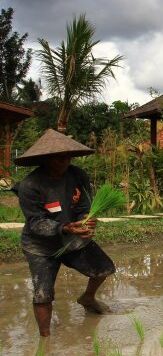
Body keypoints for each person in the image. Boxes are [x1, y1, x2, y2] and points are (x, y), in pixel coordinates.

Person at [13, 129, 116, 337]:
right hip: (40, 246)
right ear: (46, 159)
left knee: (104, 269)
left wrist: (86, 220)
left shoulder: (78, 175)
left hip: (72, 239)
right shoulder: (30, 185)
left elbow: (83, 205)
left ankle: (87, 298)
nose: (65, 161)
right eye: (60, 157)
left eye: (68, 156)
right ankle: (45, 340)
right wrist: (64, 228)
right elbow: (36, 223)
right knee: (43, 294)